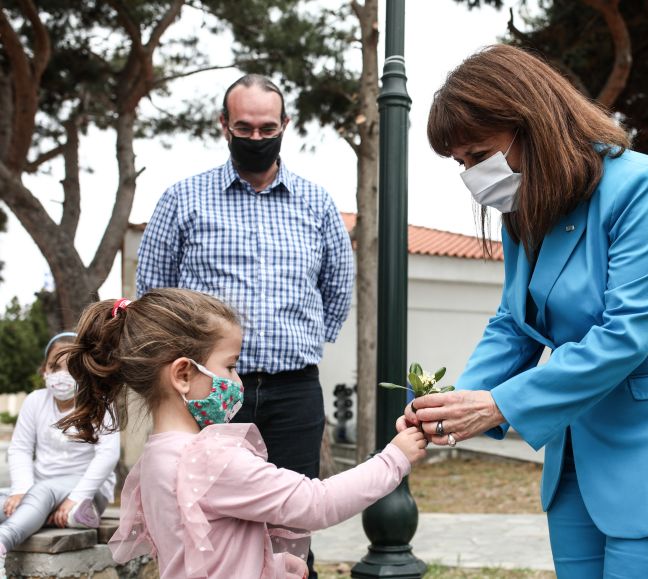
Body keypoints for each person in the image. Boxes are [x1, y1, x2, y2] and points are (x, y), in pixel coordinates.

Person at [403, 44, 648, 578]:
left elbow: (625, 335)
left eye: (480, 155)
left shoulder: (643, 187)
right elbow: (514, 323)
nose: (473, 175)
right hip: (578, 460)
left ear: (531, 123)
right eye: (462, 163)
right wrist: (451, 406)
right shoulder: (526, 208)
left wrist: (497, 405)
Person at [135, 73, 354, 577]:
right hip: (208, 395)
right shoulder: (180, 200)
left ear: (285, 125)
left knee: (295, 524)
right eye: (245, 127)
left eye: (267, 127)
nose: (257, 137)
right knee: (211, 527)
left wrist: (295, 340)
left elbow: (338, 290)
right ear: (224, 126)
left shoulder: (318, 204)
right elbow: (155, 298)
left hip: (293, 392)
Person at [58, 288, 427, 579]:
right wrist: (394, 458)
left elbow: (206, 550)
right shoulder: (210, 460)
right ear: (183, 374)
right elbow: (316, 503)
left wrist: (271, 565)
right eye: (231, 366)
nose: (238, 382)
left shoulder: (155, 458)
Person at [0, 332, 120, 579]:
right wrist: (21, 488)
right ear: (44, 369)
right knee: (11, 499)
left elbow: (108, 455)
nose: (62, 375)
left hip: (87, 490)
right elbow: (21, 448)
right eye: (55, 366)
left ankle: (3, 542)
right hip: (38, 487)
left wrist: (76, 497)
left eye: (72, 367)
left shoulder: (101, 404)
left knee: (40, 495)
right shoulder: (35, 401)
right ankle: (57, 514)